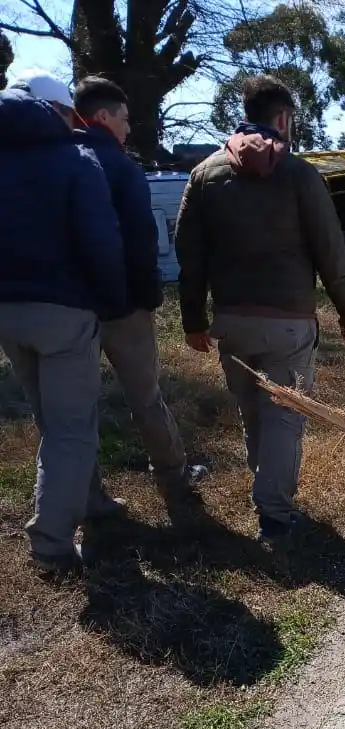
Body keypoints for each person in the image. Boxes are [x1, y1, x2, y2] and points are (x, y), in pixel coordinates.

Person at [173, 74, 345, 545]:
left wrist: (193, 320)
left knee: (253, 411)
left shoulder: (206, 176)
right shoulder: (299, 175)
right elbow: (331, 253)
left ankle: (266, 491)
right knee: (283, 416)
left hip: (232, 321)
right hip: (289, 323)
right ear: (283, 118)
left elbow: (188, 257)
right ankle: (274, 515)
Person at [0, 70, 127, 574]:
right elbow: (101, 242)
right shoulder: (76, 160)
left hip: (7, 312)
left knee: (51, 420)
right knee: (72, 427)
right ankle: (51, 544)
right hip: (64, 311)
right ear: (59, 112)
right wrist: (113, 303)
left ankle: (90, 501)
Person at [72, 76, 208, 505]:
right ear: (102, 117)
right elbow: (141, 239)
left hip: (72, 306)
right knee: (146, 397)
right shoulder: (120, 166)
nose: (128, 129)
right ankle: (173, 476)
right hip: (125, 303)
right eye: (124, 119)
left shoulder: (60, 162)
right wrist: (150, 297)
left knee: (75, 408)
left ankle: (89, 495)